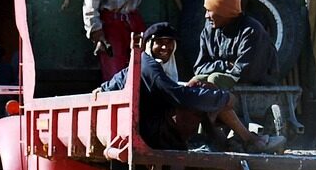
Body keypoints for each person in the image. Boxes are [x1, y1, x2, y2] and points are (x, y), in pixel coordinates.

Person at [99, 22, 285, 154]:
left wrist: (101, 90)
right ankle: (249, 140)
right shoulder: (150, 67)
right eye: (159, 42)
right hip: (154, 133)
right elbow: (178, 96)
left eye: (169, 42)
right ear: (149, 44)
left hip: (152, 125)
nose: (165, 47)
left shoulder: (143, 64)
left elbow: (116, 82)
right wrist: (222, 98)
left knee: (203, 88)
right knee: (209, 95)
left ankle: (233, 141)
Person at [191, 0, 279, 89]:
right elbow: (199, 68)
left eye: (210, 11)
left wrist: (221, 70)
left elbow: (246, 72)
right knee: (196, 81)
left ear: (224, 12)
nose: (206, 16)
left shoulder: (250, 31)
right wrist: (226, 65)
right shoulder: (209, 31)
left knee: (215, 79)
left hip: (256, 83)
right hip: (230, 76)